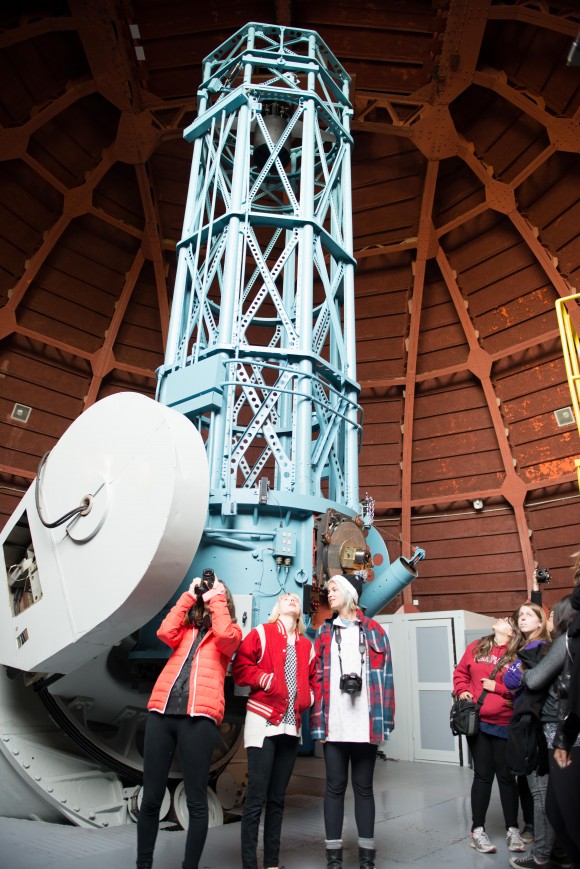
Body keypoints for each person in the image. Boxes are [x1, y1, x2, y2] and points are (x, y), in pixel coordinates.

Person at [136, 574, 242, 869]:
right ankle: (143, 863)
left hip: (199, 718)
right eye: (205, 597)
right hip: (162, 712)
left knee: (196, 800)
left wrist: (216, 596)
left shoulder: (232, 632)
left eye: (213, 596)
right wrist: (189, 593)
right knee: (151, 798)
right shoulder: (185, 630)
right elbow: (163, 631)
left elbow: (223, 636)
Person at [310, 573, 394, 869]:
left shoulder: (375, 631)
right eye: (327, 590)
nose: (328, 594)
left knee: (363, 788)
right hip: (334, 723)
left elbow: (387, 681)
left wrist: (385, 722)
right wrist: (318, 723)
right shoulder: (323, 633)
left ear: (348, 593)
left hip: (365, 723)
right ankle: (333, 858)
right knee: (334, 787)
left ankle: (367, 858)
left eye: (334, 589)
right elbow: (317, 679)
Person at [232, 592, 316, 869]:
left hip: (291, 728)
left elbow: (315, 679)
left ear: (299, 611)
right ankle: (248, 864)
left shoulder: (307, 645)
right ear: (276, 609)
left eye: (294, 598)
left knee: (278, 799)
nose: (291, 598)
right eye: (285, 598)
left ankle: (271, 863)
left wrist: (310, 698)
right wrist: (263, 678)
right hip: (262, 722)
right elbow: (241, 666)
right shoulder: (262, 633)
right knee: (256, 797)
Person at [506, 595, 577, 869]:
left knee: (543, 793)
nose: (548, 619)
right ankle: (558, 852)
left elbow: (530, 680)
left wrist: (520, 674)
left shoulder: (556, 644)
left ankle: (543, 855)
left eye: (549, 616)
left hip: (549, 724)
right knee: (555, 795)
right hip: (554, 723)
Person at [453, 615, 525, 854]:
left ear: (512, 632)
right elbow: (460, 673)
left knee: (506, 777)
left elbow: (524, 690)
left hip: (505, 723)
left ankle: (513, 829)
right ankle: (477, 830)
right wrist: (462, 690)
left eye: (506, 620)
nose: (501, 618)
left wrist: (500, 689)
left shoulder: (519, 654)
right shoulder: (476, 646)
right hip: (478, 723)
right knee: (483, 776)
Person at [545, 583, 580, 869]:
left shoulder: (565, 642)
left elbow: (533, 680)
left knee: (568, 813)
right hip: (566, 735)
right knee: (557, 812)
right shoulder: (569, 640)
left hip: (568, 737)